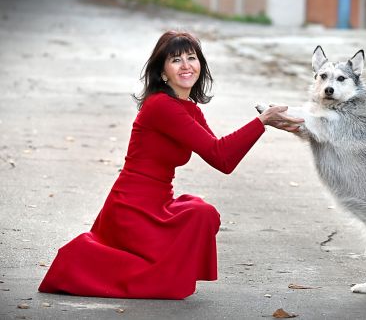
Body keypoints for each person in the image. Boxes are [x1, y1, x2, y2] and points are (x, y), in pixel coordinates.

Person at [38, 30, 303, 300]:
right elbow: (219, 152)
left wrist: (266, 124)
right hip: (132, 210)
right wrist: (261, 122)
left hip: (157, 204)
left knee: (202, 213)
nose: (186, 65)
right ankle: (80, 261)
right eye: (176, 60)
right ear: (163, 72)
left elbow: (222, 160)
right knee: (166, 280)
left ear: (201, 65)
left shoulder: (188, 108)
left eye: (192, 57)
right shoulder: (161, 106)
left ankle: (149, 269)